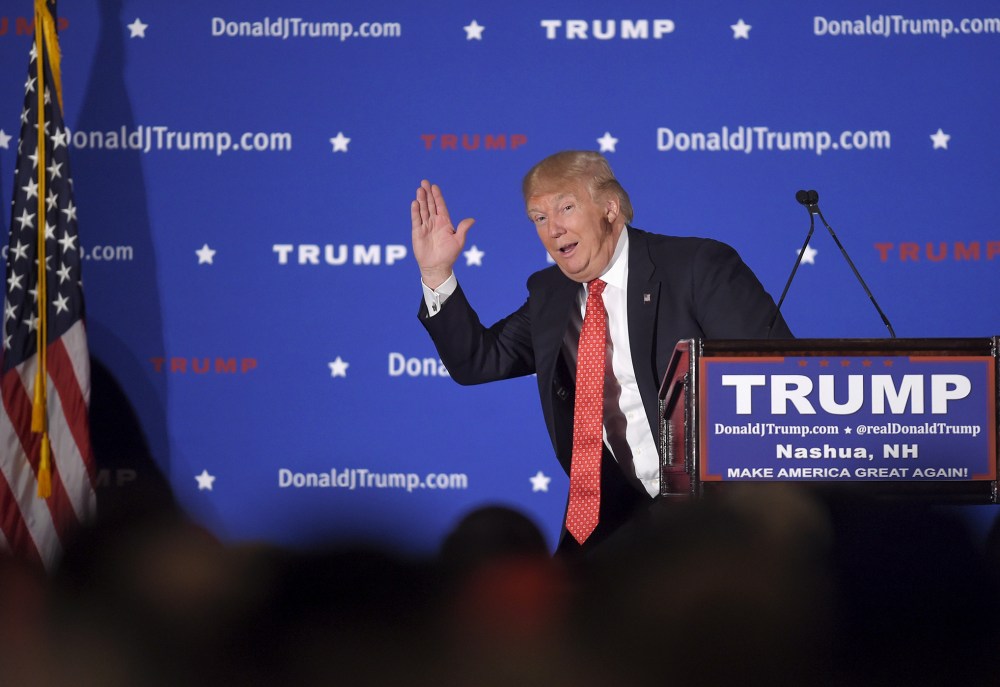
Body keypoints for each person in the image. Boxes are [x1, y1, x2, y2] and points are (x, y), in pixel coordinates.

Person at [411, 150, 792, 557]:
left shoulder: (697, 266)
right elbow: (479, 361)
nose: (553, 229)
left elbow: (772, 379)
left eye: (566, 208)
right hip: (614, 519)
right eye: (538, 218)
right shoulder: (550, 293)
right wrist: (436, 273)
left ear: (610, 208)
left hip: (714, 515)